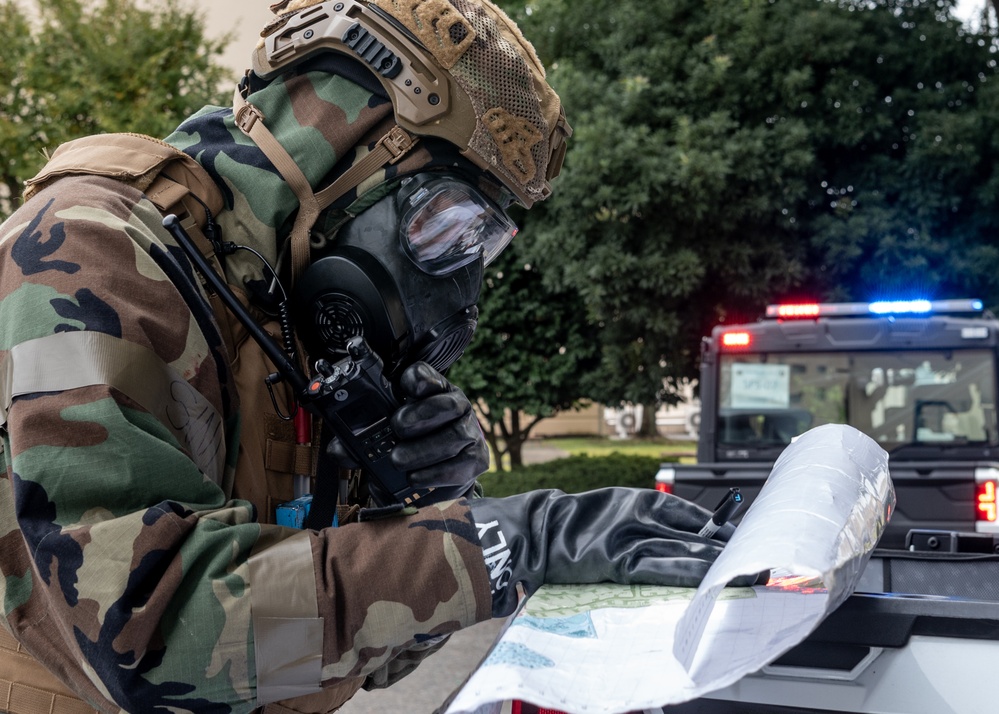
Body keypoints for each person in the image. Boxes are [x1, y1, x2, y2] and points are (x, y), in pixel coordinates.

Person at [0, 1, 756, 712]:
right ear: (340, 152)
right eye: (444, 221)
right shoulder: (87, 248)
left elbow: (350, 651)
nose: (458, 282)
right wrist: (500, 542)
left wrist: (417, 502)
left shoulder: (276, 310)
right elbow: (146, 635)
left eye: (481, 244)